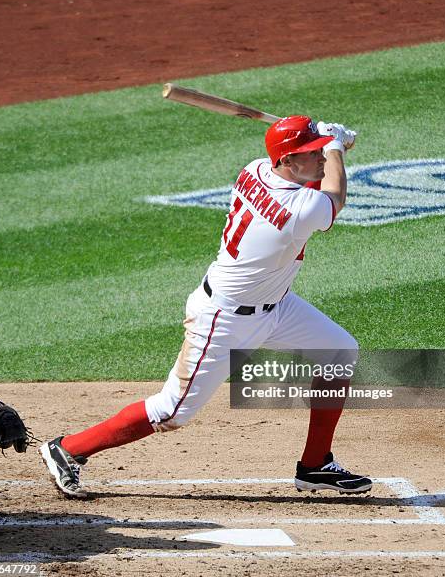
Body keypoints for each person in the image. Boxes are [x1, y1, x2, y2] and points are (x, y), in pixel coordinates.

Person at [40, 115, 372, 498]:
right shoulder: (299, 207)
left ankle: (315, 465)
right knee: (172, 412)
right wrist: (334, 147)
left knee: (338, 350)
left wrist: (327, 146)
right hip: (224, 318)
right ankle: (68, 449)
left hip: (276, 307)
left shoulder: (256, 169)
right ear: (286, 162)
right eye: (307, 153)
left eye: (315, 151)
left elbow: (311, 191)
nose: (316, 157)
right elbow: (333, 198)